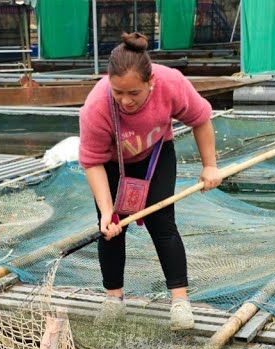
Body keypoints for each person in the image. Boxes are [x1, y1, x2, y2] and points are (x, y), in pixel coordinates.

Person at [78, 32, 222, 331]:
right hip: (113, 162)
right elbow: (92, 162)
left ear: (150, 82)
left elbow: (200, 119)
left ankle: (180, 301)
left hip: (156, 155)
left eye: (134, 93)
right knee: (111, 228)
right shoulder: (96, 107)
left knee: (162, 220)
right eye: (118, 92)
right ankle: (114, 298)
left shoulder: (171, 83)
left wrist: (210, 166)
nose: (125, 101)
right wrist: (107, 211)